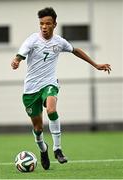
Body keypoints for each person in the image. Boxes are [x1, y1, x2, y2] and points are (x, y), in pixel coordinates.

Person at [11, 7, 111, 170]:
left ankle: (57, 149)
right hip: (30, 90)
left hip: (49, 84)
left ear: (54, 24)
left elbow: (75, 50)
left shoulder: (59, 42)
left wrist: (96, 64)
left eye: (48, 23)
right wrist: (16, 61)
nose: (44, 27)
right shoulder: (32, 40)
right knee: (38, 128)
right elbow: (19, 55)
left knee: (51, 110)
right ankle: (43, 149)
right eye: (41, 24)